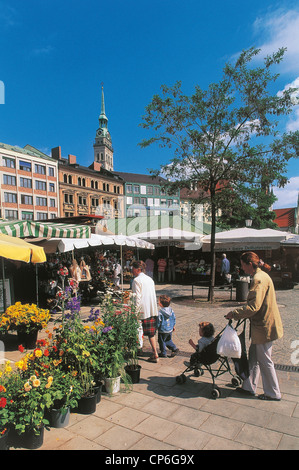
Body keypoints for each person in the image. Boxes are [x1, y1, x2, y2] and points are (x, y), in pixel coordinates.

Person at [225, 251, 283, 401]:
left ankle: (273, 392)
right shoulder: (262, 275)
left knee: (264, 360)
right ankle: (249, 386)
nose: (242, 268)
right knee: (254, 357)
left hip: (264, 326)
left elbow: (253, 307)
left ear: (249, 264)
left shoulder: (258, 279)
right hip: (263, 325)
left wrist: (235, 313)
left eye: (243, 265)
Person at [131, 260, 159, 363]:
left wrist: (135, 311)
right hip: (151, 308)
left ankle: (139, 349)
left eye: (133, 269)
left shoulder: (136, 280)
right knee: (151, 333)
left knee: (138, 329)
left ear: (138, 269)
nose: (131, 271)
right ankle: (155, 353)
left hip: (142, 309)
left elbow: (137, 298)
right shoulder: (150, 279)